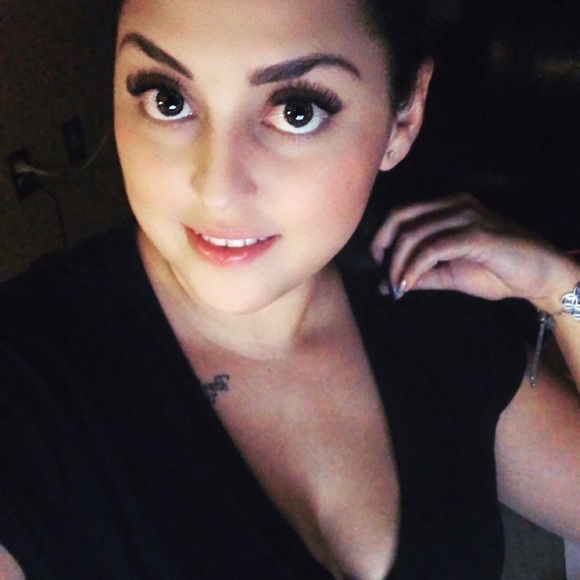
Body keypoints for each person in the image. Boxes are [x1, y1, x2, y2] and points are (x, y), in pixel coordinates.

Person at [0, 1, 579, 578]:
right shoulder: (27, 377)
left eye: (297, 111)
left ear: (403, 118)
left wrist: (562, 289)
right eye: (167, 100)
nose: (217, 189)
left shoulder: (428, 293)